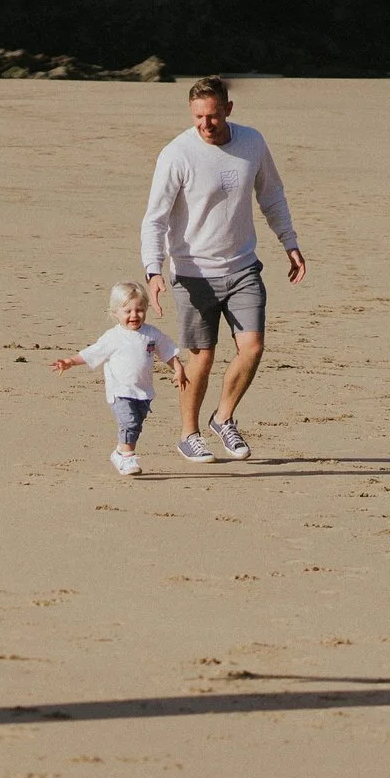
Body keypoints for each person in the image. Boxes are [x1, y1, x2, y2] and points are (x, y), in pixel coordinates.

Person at [140, 75, 306, 464]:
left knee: (253, 347)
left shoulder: (252, 142)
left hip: (243, 266)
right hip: (193, 273)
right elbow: (155, 218)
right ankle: (189, 434)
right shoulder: (177, 154)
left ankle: (223, 417)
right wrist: (153, 269)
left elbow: (272, 195)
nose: (206, 124)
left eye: (213, 116)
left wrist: (290, 242)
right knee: (202, 357)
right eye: (198, 116)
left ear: (228, 109)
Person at [53, 281, 186, 477]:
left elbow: (166, 351)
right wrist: (70, 361)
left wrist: (178, 368)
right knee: (129, 422)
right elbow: (93, 353)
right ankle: (127, 457)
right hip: (120, 391)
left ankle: (119, 452)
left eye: (139, 310)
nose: (134, 315)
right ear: (115, 313)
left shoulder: (151, 334)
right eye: (128, 311)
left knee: (135, 426)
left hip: (143, 392)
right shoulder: (113, 337)